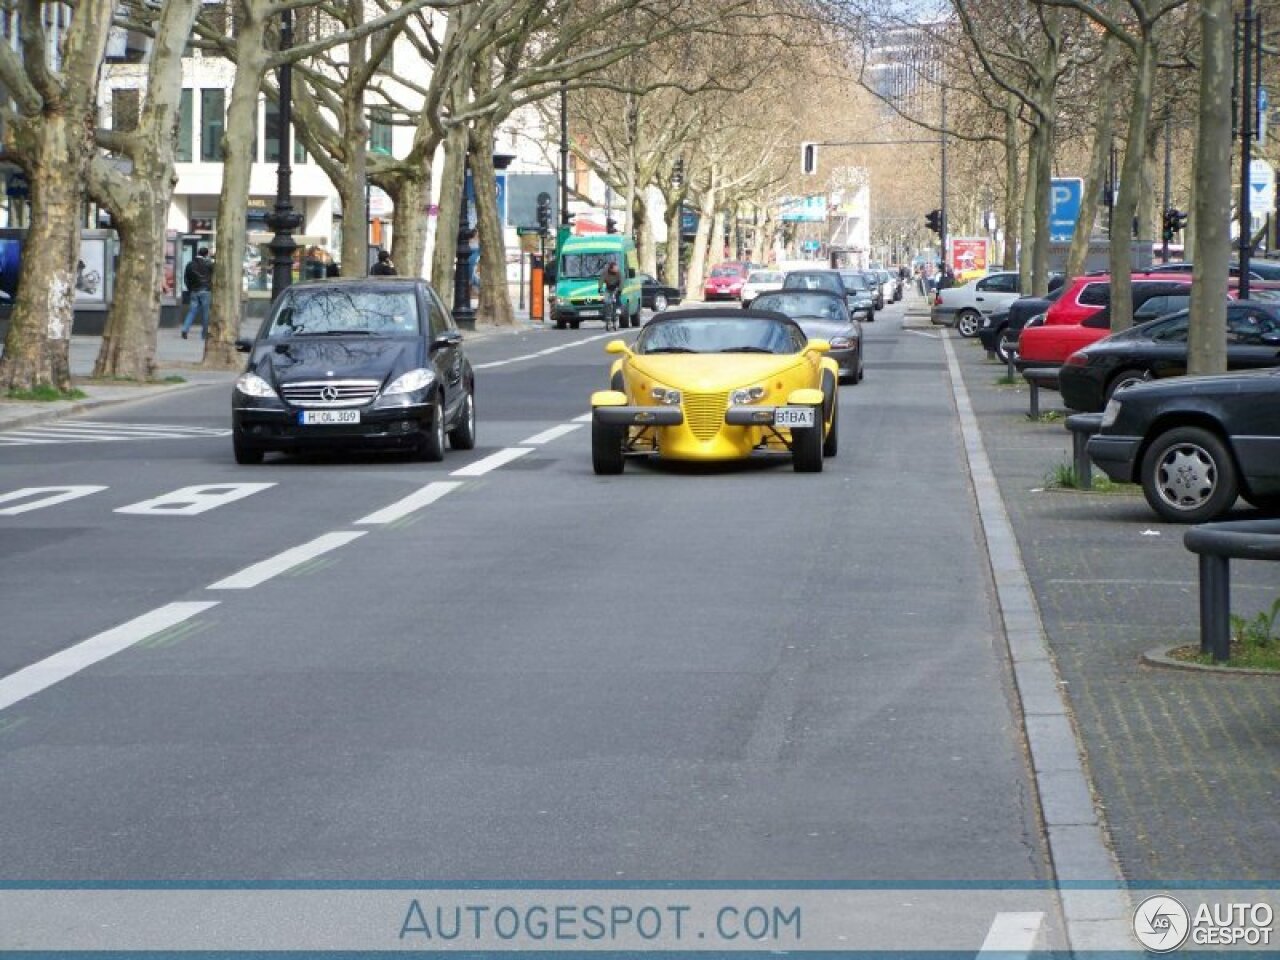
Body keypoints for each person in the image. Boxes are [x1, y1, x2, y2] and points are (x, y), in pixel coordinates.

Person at [181, 247, 213, 340]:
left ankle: (185, 329)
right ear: (206, 255)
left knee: (192, 311)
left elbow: (186, 278)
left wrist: (190, 289)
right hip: (206, 291)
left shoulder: (190, 264)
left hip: (194, 291)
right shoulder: (208, 264)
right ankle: (204, 334)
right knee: (206, 313)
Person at [598, 261, 622, 330]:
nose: (616, 269)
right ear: (611, 269)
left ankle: (616, 318)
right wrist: (600, 288)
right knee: (607, 302)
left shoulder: (619, 273)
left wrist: (619, 290)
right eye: (615, 268)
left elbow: (622, 282)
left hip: (616, 289)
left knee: (616, 302)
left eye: (617, 268)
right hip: (608, 289)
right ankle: (608, 320)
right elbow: (601, 280)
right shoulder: (605, 272)